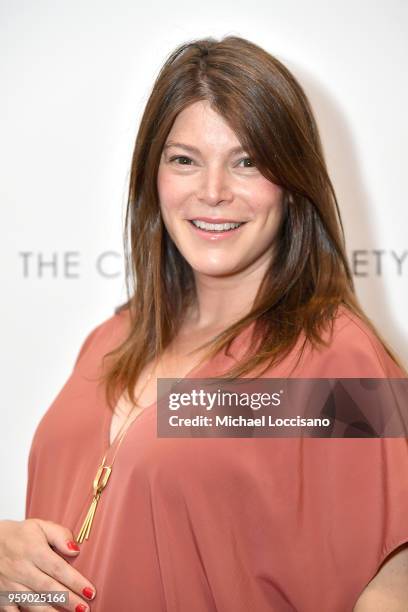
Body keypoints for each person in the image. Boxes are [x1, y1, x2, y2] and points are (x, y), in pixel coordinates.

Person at [1, 35, 408, 612]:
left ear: (293, 185)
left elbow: (396, 574)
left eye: (247, 161)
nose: (213, 192)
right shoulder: (108, 341)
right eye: (184, 159)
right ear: (154, 177)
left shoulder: (341, 355)